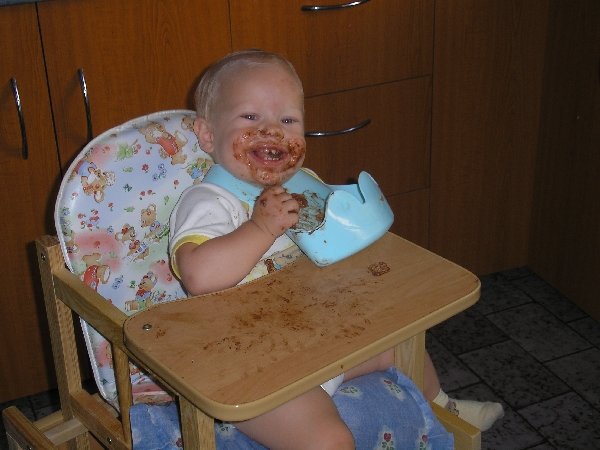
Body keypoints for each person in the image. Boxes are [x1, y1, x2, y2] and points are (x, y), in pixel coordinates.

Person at [169, 49, 503, 449]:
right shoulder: (210, 201)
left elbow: (336, 247)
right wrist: (260, 228)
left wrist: (358, 221)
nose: (272, 131)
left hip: (316, 339)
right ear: (208, 135)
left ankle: (443, 407)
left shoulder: (302, 185)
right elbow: (199, 276)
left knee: (403, 340)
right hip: (250, 368)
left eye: (288, 120)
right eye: (250, 117)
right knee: (328, 439)